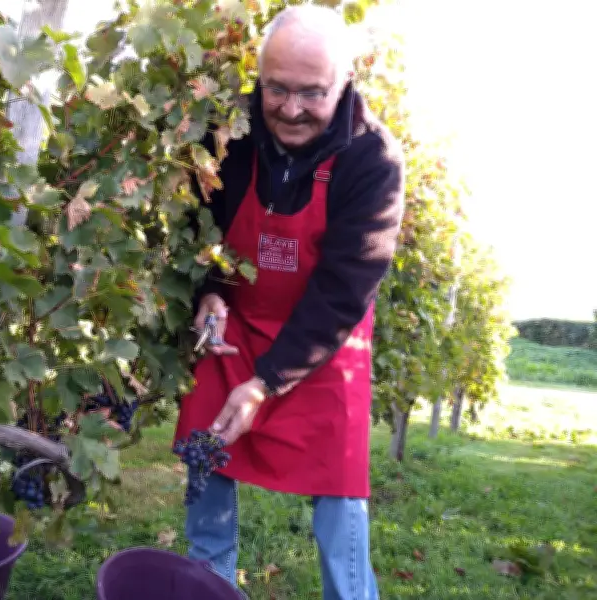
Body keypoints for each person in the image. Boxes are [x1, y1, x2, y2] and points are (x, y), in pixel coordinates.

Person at [174, 4, 405, 600]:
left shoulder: (372, 160)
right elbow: (200, 227)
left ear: (344, 85)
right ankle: (210, 588)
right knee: (209, 462)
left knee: (339, 502)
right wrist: (210, 291)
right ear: (259, 78)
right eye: (276, 88)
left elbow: (343, 290)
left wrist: (266, 382)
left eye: (312, 93)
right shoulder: (229, 132)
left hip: (325, 340)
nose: (291, 108)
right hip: (238, 327)